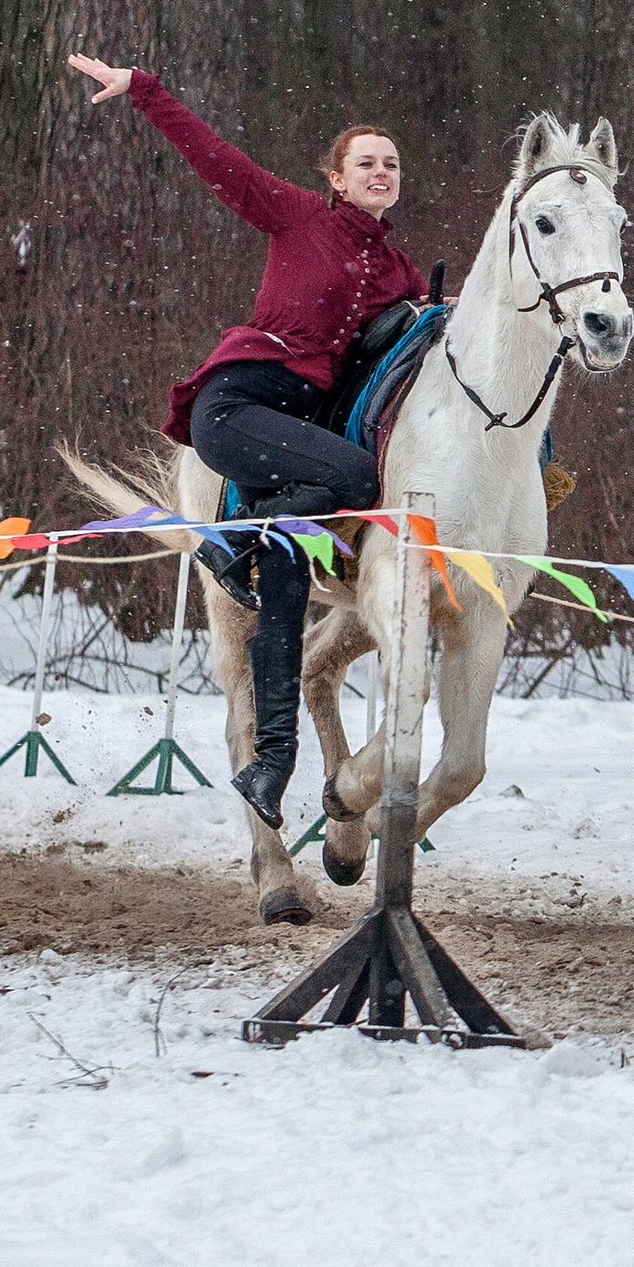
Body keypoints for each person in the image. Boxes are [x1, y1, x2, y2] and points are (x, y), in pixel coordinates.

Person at [66, 52, 426, 831]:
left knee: (288, 588)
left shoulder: (398, 269)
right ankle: (232, 545)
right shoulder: (296, 214)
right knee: (360, 474)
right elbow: (214, 158)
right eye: (365, 161)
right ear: (335, 176)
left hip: (298, 437)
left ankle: (269, 764)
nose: (380, 171)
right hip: (237, 407)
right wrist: (145, 92)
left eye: (391, 163)